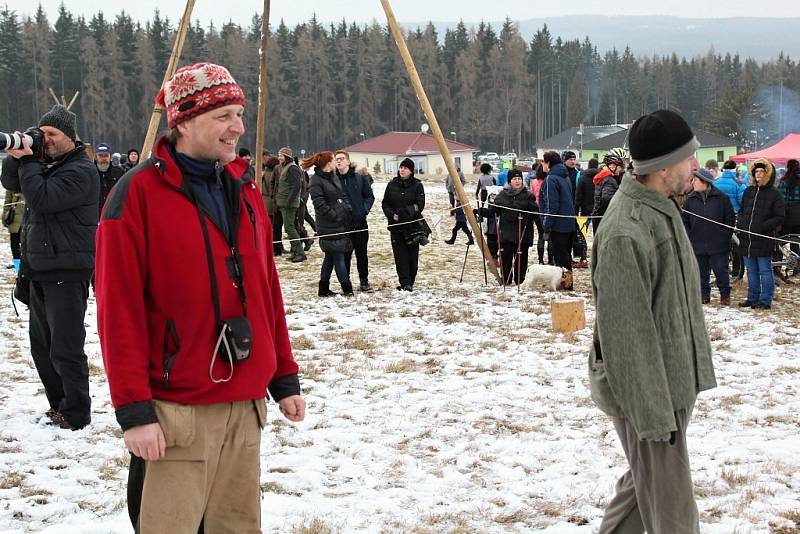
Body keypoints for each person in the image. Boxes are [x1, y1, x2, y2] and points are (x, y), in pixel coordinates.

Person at [95, 62, 305, 533]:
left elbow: (267, 289)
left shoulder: (246, 189)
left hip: (246, 404)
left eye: (239, 114)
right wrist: (133, 412)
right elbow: (117, 312)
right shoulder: (136, 196)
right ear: (184, 121)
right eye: (224, 116)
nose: (238, 127)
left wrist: (284, 376)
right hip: (177, 413)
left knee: (236, 528)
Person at [590, 110, 716, 534]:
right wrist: (654, 417)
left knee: (642, 491)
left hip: (669, 384)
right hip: (649, 395)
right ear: (664, 167)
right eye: (689, 158)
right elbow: (628, 339)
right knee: (674, 513)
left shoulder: (662, 208)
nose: (695, 166)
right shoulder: (627, 230)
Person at [1, 104, 99, 430]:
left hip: (67, 271)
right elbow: (10, 182)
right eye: (42, 134)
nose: (46, 140)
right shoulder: (48, 165)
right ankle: (59, 405)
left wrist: (29, 159)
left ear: (70, 137)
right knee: (42, 348)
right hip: (41, 268)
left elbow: (42, 198)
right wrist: (17, 153)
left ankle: (77, 412)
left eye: (52, 134)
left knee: (65, 347)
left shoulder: (80, 170)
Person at [736, 158, 786, 309]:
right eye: (756, 171)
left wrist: (763, 226)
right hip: (747, 238)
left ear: (768, 174)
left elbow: (780, 216)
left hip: (763, 238)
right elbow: (742, 210)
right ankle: (752, 298)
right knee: (751, 271)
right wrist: (743, 222)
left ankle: (765, 300)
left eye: (761, 171)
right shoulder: (748, 191)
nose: (758, 174)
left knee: (765, 270)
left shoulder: (774, 194)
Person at [682, 169, 735, 305]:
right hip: (697, 243)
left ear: (704, 182)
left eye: (695, 180)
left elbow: (730, 219)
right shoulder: (690, 199)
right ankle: (704, 295)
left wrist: (724, 235)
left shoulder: (721, 197)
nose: (693, 182)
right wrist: (690, 235)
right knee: (701, 273)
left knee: (721, 270)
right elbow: (685, 221)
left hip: (718, 244)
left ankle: (725, 295)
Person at [305, 151, 354, 297]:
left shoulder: (333, 176)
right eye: (333, 160)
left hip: (340, 222)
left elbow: (342, 194)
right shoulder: (316, 181)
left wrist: (347, 208)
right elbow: (319, 204)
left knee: (330, 257)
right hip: (328, 225)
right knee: (338, 256)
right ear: (327, 163)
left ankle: (323, 288)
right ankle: (347, 289)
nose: (336, 162)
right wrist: (335, 216)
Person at [382, 158, 427, 291]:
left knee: (412, 256)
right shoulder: (391, 185)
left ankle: (410, 281)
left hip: (412, 226)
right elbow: (385, 203)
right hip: (396, 226)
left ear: (411, 171)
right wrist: (392, 214)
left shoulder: (418, 185)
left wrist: (405, 213)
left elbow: (420, 204)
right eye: (401, 167)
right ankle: (405, 282)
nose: (402, 170)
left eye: (405, 168)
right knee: (400, 256)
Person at [489, 169, 538, 285]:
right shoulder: (502, 196)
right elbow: (494, 212)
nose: (517, 181)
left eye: (519, 179)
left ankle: (520, 280)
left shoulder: (528, 196)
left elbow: (536, 212)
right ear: (509, 181)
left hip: (522, 234)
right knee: (506, 259)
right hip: (506, 233)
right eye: (514, 179)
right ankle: (506, 280)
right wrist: (480, 211)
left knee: (521, 260)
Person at [335, 150, 375, 291]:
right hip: (343, 225)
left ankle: (364, 281)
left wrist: (364, 210)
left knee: (361, 254)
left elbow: (369, 196)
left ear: (348, 161)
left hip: (360, 223)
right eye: (336, 159)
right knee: (345, 255)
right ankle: (346, 283)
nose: (338, 161)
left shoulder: (359, 178)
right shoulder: (333, 180)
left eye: (341, 159)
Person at [540, 151, 575, 289]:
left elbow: (551, 205)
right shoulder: (565, 176)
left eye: (543, 161)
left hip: (558, 224)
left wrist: (546, 225)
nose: (541, 164)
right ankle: (567, 284)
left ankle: (566, 285)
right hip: (569, 223)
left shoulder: (551, 179)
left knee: (561, 257)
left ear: (548, 163)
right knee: (565, 256)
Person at [275, 146, 306, 262]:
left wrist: (288, 202)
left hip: (289, 204)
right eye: (278, 155)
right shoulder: (286, 167)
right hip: (285, 203)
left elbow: (296, 186)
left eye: (281, 155)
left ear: (287, 157)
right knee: (290, 227)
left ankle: (300, 253)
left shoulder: (292, 168)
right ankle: (295, 251)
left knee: (289, 228)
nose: (279, 157)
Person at [591, 149, 625, 233]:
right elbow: (607, 198)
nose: (620, 169)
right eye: (620, 167)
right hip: (605, 219)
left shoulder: (602, 176)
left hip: (598, 218)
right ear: (613, 166)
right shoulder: (609, 180)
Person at [95, 142, 125, 213]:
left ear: (110, 157)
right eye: (100, 156)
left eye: (106, 155)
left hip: (113, 212)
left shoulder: (119, 172)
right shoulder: (89, 172)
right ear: (96, 157)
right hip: (93, 214)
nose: (103, 158)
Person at [3, 190, 24, 272]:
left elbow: (7, 203)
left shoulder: (11, 184)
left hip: (18, 220)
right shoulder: (31, 181)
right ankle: (20, 267)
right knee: (20, 245)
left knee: (15, 245)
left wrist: (5, 219)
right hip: (22, 220)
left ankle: (18, 267)